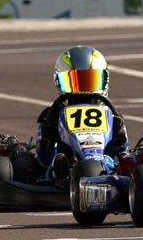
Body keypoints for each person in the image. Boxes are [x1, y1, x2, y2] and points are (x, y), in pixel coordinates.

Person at [34, 45, 129, 178]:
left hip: (106, 166)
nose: (83, 89)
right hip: (64, 170)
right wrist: (47, 140)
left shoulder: (113, 115)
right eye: (75, 81)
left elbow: (124, 155)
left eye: (90, 80)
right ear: (59, 81)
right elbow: (43, 160)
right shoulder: (51, 116)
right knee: (50, 168)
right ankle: (62, 171)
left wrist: (119, 140)